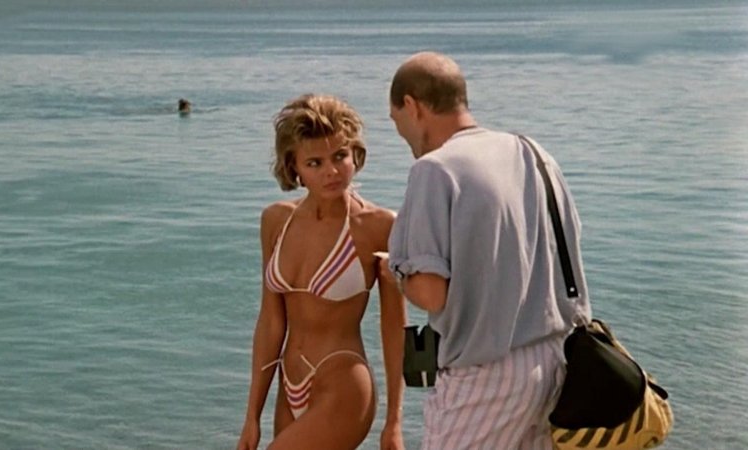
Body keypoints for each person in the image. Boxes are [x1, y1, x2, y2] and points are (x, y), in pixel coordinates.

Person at [385, 52, 592, 449]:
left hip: (485, 376)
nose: (402, 136)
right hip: (561, 365)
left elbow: (430, 292)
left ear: (412, 106)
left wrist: (395, 272)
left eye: (396, 121)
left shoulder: (434, 169)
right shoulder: (534, 153)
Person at [236, 94, 406, 450]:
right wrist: (252, 415)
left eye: (340, 156)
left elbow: (393, 327)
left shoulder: (377, 226)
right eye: (315, 162)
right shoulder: (276, 221)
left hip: (343, 383)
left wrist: (394, 421)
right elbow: (271, 322)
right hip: (289, 385)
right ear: (294, 167)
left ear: (355, 155)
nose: (332, 171)